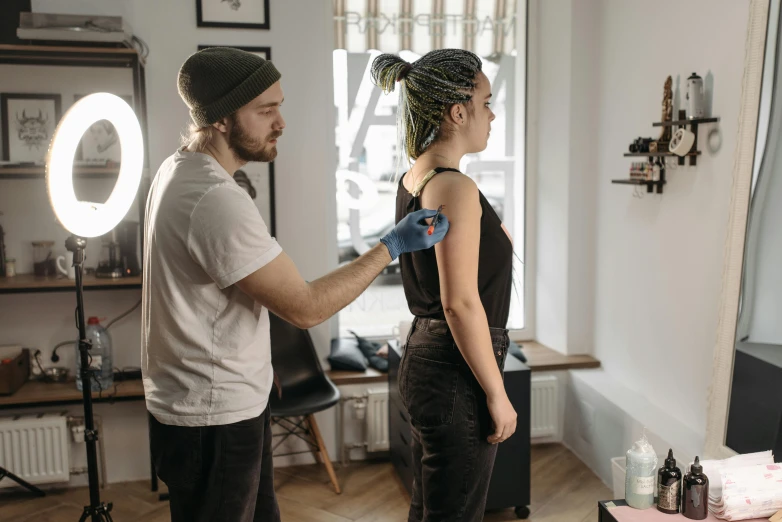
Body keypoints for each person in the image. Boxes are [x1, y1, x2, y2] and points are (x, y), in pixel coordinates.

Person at [141, 47, 449, 522]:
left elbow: (215, 299)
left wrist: (257, 363)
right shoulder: (215, 199)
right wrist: (391, 245)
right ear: (221, 120)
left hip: (212, 402)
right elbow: (305, 308)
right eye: (265, 111)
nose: (280, 122)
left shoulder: (177, 169)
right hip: (213, 417)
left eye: (278, 105)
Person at [371, 49, 517, 521]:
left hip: (429, 357)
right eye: (487, 102)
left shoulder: (418, 175)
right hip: (456, 368)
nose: (492, 115)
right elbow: (459, 303)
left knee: (433, 505)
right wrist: (497, 394)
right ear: (458, 111)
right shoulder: (454, 186)